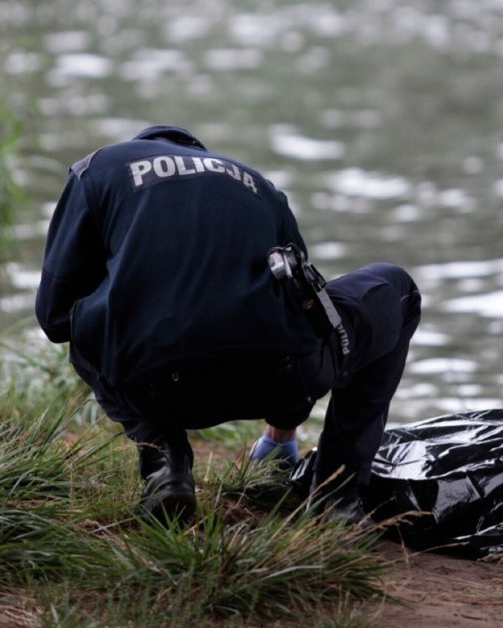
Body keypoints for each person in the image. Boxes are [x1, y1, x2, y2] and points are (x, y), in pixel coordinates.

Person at [35, 125, 421, 524]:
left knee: (87, 326)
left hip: (154, 389)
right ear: (203, 157)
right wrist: (282, 430)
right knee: (397, 291)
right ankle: (335, 496)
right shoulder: (256, 183)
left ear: (140, 146)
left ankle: (166, 465)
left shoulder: (97, 171)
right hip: (278, 380)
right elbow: (304, 304)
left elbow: (53, 318)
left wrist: (124, 302)